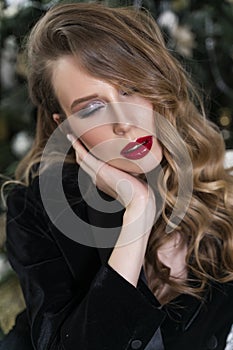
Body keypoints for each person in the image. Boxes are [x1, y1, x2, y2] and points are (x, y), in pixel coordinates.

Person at [4, 2, 233, 350]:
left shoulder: (218, 191)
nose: (125, 121)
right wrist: (136, 220)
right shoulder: (37, 213)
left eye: (130, 89)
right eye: (92, 108)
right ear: (64, 127)